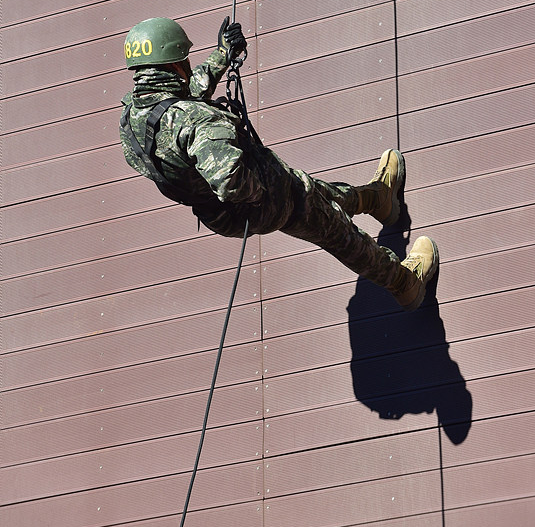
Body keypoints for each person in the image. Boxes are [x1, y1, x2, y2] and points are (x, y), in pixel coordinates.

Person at [120, 17, 439, 311]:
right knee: (338, 234)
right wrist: (269, 187)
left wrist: (222, 54)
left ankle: (377, 200)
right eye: (186, 61)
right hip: (265, 203)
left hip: (221, 212)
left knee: (313, 189)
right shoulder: (199, 122)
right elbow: (232, 182)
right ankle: (404, 282)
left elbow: (179, 100)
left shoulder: (134, 119)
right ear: (176, 62)